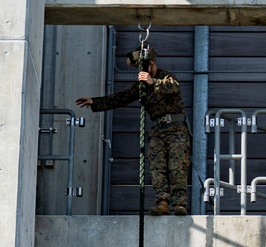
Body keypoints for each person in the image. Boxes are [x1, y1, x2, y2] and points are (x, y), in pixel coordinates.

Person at [77, 48, 190, 216]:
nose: (140, 71)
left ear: (151, 63)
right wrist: (95, 102)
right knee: (157, 167)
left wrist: (153, 82)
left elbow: (173, 87)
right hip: (158, 131)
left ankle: (179, 204)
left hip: (176, 129)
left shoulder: (166, 77)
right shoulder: (141, 87)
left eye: (142, 66)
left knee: (177, 165)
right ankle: (163, 203)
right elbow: (120, 98)